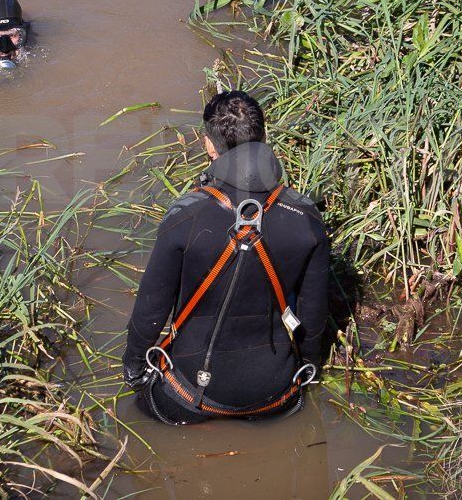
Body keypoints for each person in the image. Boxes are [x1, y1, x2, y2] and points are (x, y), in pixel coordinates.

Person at [122, 90, 330, 425]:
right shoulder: (306, 216)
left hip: (189, 396)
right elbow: (313, 314)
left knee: (137, 417)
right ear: (263, 137)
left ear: (208, 145)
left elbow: (150, 310)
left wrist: (133, 370)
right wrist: (310, 368)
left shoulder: (185, 214)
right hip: (277, 397)